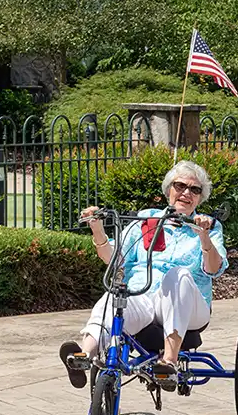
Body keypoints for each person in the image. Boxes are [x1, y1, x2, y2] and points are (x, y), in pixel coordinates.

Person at [59, 160, 228, 390]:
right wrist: (97, 228)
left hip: (190, 306)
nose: (186, 193)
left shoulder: (209, 225)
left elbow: (214, 269)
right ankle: (83, 355)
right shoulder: (147, 219)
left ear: (200, 197)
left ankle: (168, 362)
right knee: (114, 296)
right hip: (145, 298)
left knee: (177, 276)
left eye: (195, 190)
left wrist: (204, 236)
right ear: (169, 189)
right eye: (180, 186)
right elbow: (114, 258)